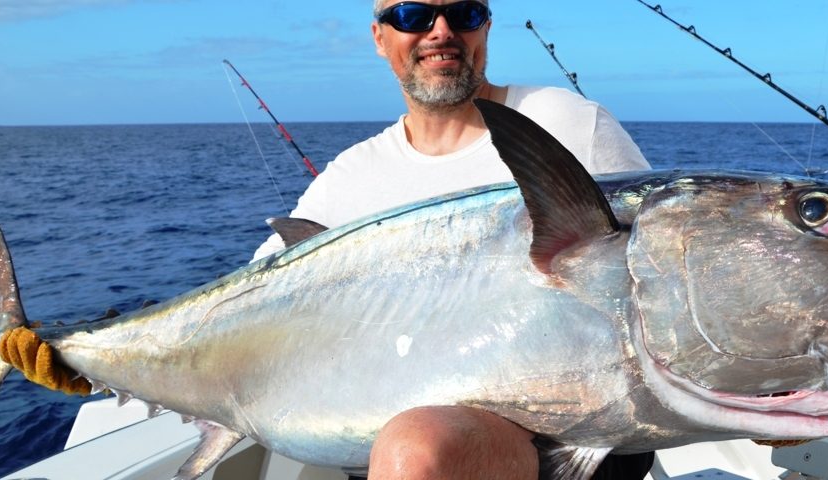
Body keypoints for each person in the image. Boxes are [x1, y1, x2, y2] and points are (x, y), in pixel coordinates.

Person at [253, 1, 655, 478]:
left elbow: (657, 266)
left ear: (485, 28)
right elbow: (256, 296)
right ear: (380, 37)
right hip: (390, 438)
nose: (440, 31)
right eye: (411, 15)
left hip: (572, 440)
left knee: (417, 448)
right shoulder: (350, 178)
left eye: (462, 13)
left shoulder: (567, 123)